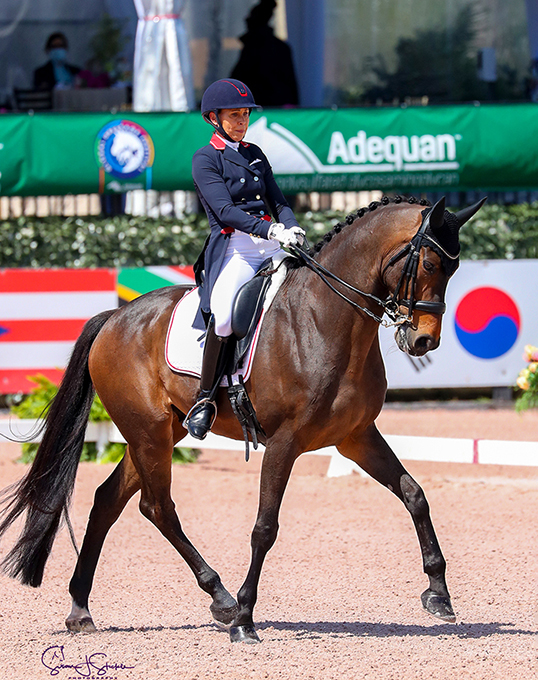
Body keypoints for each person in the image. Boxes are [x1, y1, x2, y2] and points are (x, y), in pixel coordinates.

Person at [184, 78, 305, 440]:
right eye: (234, 115)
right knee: (223, 318)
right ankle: (205, 400)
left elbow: (278, 200)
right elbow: (225, 211)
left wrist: (291, 226)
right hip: (236, 248)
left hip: (271, 242)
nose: (241, 121)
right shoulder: (206, 159)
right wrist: (271, 230)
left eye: (245, 114)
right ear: (214, 118)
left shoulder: (255, 153)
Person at [231, 0, 299, 107]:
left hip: (264, 106)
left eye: (251, 18)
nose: (246, 21)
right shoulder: (277, 47)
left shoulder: (256, 47)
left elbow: (239, 77)